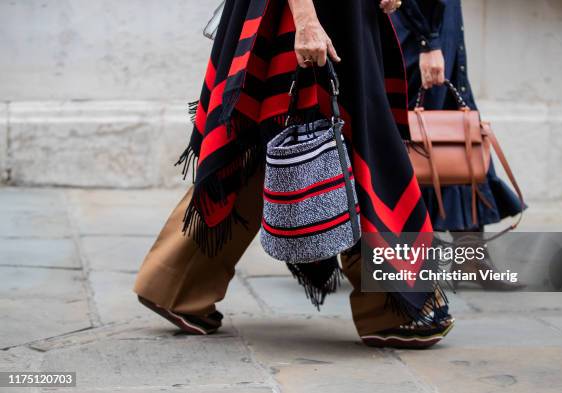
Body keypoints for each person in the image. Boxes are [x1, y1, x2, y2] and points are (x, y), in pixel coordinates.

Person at [133, 0, 454, 349]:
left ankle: (173, 283)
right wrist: (306, 20)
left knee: (275, 146)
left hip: (335, 15)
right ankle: (395, 308)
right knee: (335, 144)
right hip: (302, 14)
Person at [392, 0, 526, 289]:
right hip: (420, 28)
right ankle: (393, 260)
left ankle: (470, 256)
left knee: (461, 138)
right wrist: (429, 42)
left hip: (440, 25)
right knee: (416, 146)